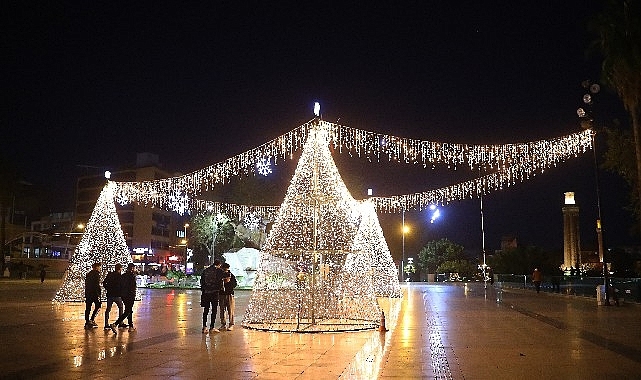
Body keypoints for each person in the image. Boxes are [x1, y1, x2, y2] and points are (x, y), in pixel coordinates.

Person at [110, 263, 138, 334]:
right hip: (130, 295)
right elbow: (133, 286)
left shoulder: (123, 276)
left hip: (123, 295)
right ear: (132, 268)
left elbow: (120, 285)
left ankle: (131, 326)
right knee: (128, 311)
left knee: (129, 310)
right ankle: (115, 324)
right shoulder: (132, 276)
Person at [200, 260, 226, 333]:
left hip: (206, 293)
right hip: (214, 293)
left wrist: (204, 289)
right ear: (219, 264)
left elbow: (202, 281)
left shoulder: (205, 270)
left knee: (206, 310)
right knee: (214, 310)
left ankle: (204, 327)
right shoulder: (218, 271)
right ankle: (212, 327)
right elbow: (226, 276)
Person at [103, 263, 125, 330]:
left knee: (108, 310)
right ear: (120, 268)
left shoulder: (110, 275)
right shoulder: (120, 276)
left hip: (110, 294)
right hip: (117, 295)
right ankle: (120, 322)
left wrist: (107, 288)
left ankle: (106, 324)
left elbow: (104, 283)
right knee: (121, 308)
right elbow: (122, 286)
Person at [218, 262, 237, 331]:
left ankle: (231, 324)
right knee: (222, 310)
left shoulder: (231, 275)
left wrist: (228, 282)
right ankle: (223, 324)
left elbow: (234, 284)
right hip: (221, 294)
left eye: (225, 269)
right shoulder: (219, 276)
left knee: (230, 310)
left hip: (229, 294)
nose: (224, 271)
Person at [84, 262, 102, 329]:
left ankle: (87, 322)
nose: (100, 268)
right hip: (94, 294)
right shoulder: (96, 274)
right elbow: (96, 285)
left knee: (88, 308)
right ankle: (91, 319)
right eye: (99, 267)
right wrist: (99, 294)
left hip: (88, 293)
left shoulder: (89, 274)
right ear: (96, 267)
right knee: (98, 305)